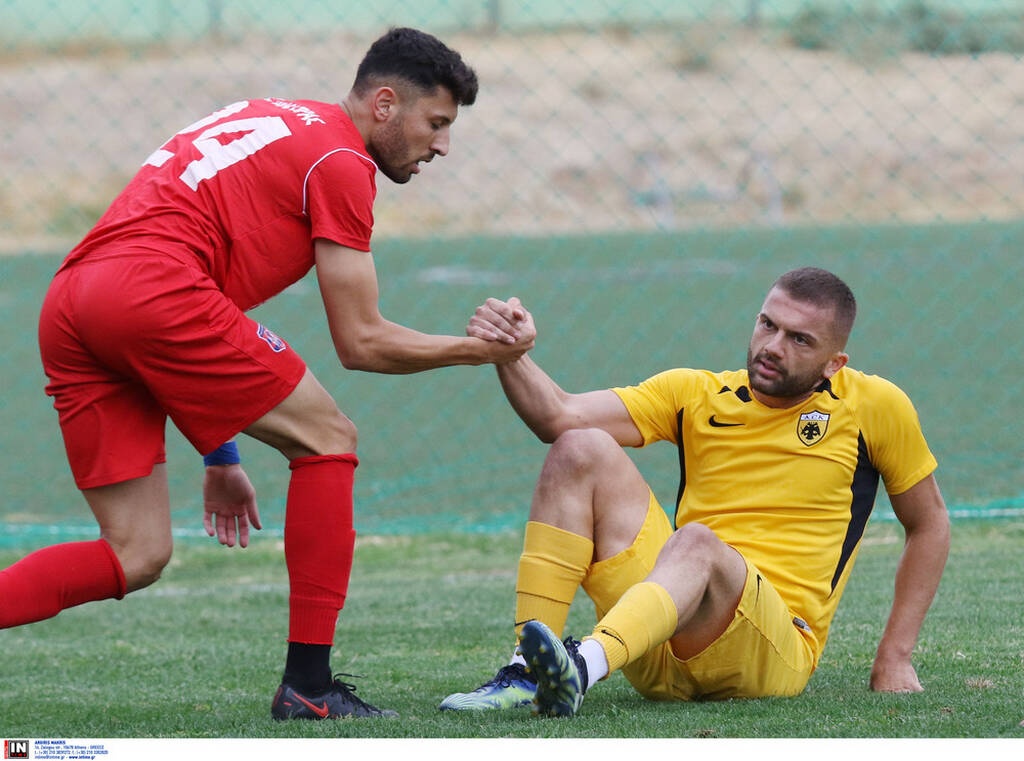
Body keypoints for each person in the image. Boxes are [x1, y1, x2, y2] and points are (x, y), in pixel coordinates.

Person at [0, 27, 533, 721]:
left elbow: (174, 308)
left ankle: (307, 683)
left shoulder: (275, 114)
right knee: (328, 439)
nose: (441, 144)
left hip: (74, 302)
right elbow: (362, 341)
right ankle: (309, 685)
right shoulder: (342, 162)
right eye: (435, 123)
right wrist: (481, 351)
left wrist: (221, 452)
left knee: (138, 552)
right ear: (383, 103)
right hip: (154, 292)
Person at [443, 267, 950, 716]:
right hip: (652, 639)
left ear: (834, 363)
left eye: (799, 340)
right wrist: (508, 351)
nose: (772, 345)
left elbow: (928, 524)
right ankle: (528, 672)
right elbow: (557, 415)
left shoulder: (875, 405)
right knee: (579, 446)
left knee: (698, 542)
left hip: (771, 653)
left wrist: (894, 657)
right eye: (767, 325)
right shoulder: (697, 393)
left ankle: (582, 666)